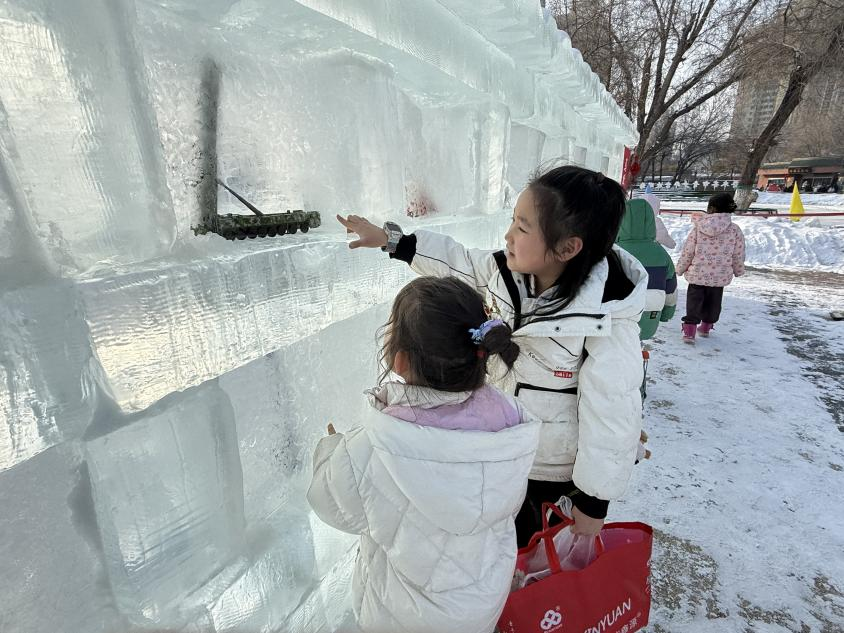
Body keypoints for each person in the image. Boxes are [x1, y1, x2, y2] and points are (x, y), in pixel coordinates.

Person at [338, 165, 647, 547]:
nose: (508, 235)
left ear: (567, 248)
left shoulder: (606, 320)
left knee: (536, 550)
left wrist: (594, 500)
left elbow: (612, 413)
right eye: (513, 221)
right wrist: (392, 241)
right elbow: (458, 261)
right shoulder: (505, 272)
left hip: (552, 472)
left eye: (522, 227)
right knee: (497, 546)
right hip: (501, 450)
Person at [307, 276, 542, 633]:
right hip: (481, 603)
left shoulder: (374, 446)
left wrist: (332, 449)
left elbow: (331, 504)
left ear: (399, 360)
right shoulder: (508, 422)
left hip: (403, 618)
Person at [676, 192, 746, 343]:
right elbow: (738, 253)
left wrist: (680, 268)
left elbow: (688, 251)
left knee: (694, 303)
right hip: (719, 276)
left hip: (697, 275)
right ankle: (706, 327)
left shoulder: (699, 227)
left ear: (712, 209)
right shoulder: (734, 230)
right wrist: (738, 270)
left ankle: (689, 332)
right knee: (713, 303)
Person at [616, 199, 678, 340]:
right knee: (638, 341)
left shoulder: (613, 251)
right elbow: (671, 288)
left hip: (618, 315)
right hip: (650, 315)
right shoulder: (661, 254)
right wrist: (667, 313)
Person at [640, 183, 676, 248]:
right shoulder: (655, 221)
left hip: (636, 247)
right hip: (651, 247)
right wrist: (671, 244)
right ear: (657, 206)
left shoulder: (635, 220)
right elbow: (662, 236)